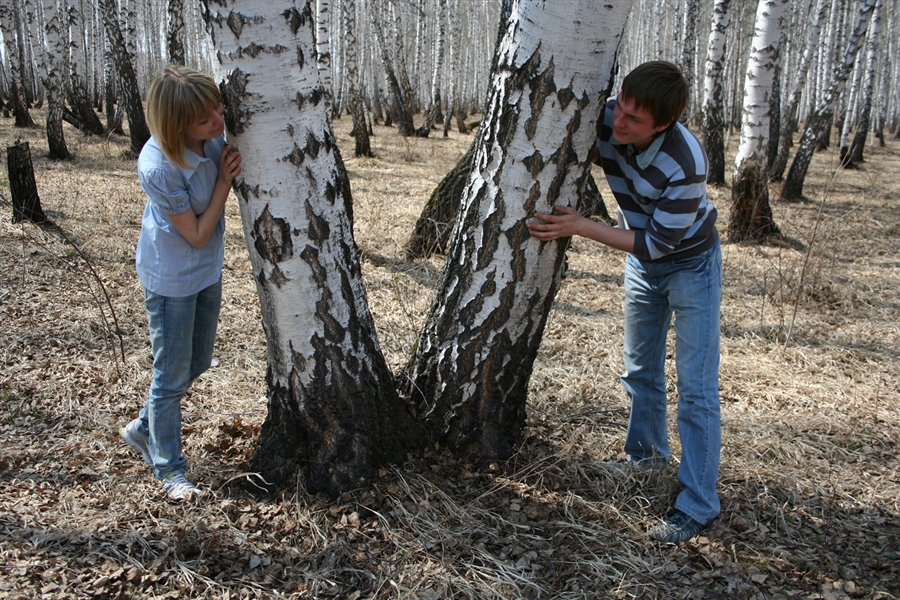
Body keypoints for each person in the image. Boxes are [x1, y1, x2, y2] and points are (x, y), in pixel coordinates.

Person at [528, 61, 722, 543]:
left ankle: (699, 503)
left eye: (635, 120)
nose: (619, 123)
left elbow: (658, 245)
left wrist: (582, 226)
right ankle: (645, 457)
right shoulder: (608, 117)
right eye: (622, 108)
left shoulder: (685, 162)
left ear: (663, 124)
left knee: (696, 389)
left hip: (690, 264)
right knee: (639, 370)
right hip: (643, 264)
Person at [120, 65, 242, 500]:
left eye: (218, 108)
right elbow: (194, 233)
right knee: (170, 377)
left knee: (199, 361)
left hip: (205, 269)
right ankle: (169, 469)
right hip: (172, 277)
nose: (218, 121)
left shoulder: (209, 138)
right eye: (206, 117)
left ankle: (144, 426)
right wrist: (224, 183)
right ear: (176, 124)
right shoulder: (158, 167)